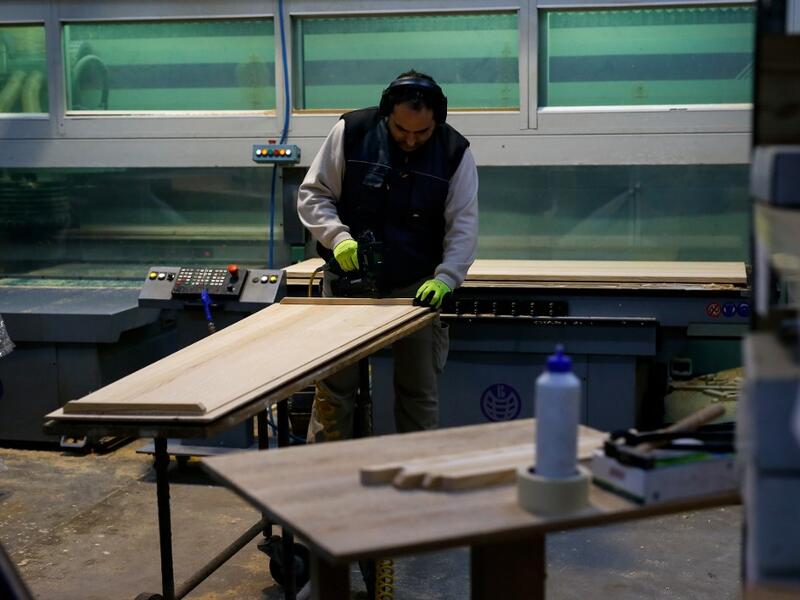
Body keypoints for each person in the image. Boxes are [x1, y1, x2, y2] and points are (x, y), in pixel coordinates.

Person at [297, 70, 479, 442]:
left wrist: (447, 278)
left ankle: (416, 470)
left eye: (422, 132)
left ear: (438, 120)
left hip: (415, 288)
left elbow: (463, 225)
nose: (410, 140)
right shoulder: (351, 132)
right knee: (335, 390)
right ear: (386, 113)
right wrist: (337, 237)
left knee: (418, 392)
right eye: (400, 130)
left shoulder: (454, 152)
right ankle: (326, 468)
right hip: (348, 281)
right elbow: (314, 194)